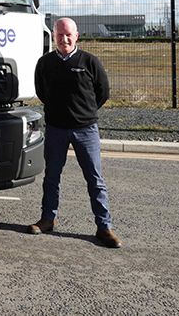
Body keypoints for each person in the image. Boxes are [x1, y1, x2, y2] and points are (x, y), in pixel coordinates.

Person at [28, 17, 122, 248]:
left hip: (85, 129)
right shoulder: (45, 63)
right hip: (56, 129)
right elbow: (42, 92)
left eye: (68, 34)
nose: (64, 39)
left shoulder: (90, 62)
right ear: (54, 36)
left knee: (95, 179)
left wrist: (83, 113)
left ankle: (104, 227)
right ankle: (48, 219)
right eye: (60, 35)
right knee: (52, 177)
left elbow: (103, 93)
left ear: (77, 36)